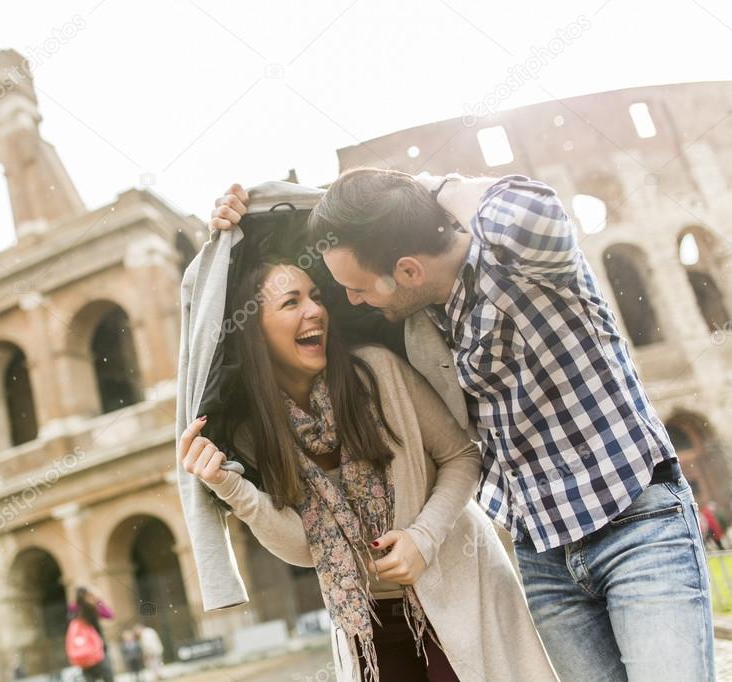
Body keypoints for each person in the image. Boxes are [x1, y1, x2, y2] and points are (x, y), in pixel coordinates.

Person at [210, 171, 715, 681]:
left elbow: (534, 211)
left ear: (407, 270)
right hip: (545, 555)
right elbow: (366, 217)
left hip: (633, 521)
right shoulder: (429, 317)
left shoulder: (528, 264)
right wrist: (243, 222)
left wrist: (431, 187)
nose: (349, 304)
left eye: (355, 289)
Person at [180, 255, 556, 680]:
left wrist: (422, 539)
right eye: (291, 302)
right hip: (367, 621)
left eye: (316, 297)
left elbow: (462, 455)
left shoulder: (377, 370)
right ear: (256, 332)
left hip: (455, 588)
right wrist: (231, 488)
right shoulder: (256, 432)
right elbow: (306, 550)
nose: (315, 310)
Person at [68, 587, 115, 682]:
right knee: (108, 677)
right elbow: (109, 614)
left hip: (84, 654)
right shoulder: (91, 609)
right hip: (98, 651)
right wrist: (98, 601)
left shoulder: (74, 610)